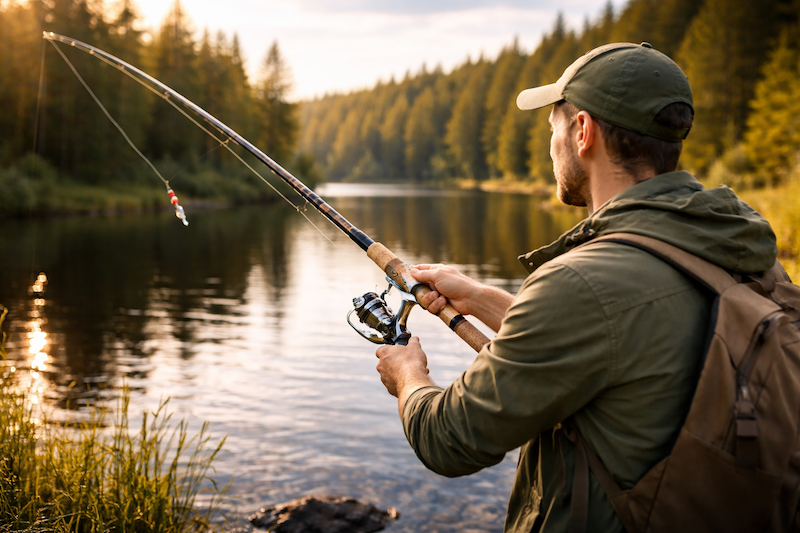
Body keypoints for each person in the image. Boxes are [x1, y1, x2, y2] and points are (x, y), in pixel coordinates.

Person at [374, 42, 778, 532]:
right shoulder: (744, 253)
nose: (552, 144)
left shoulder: (583, 283)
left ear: (582, 132)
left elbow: (449, 438)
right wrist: (479, 298)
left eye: (553, 128)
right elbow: (618, 338)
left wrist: (408, 375)